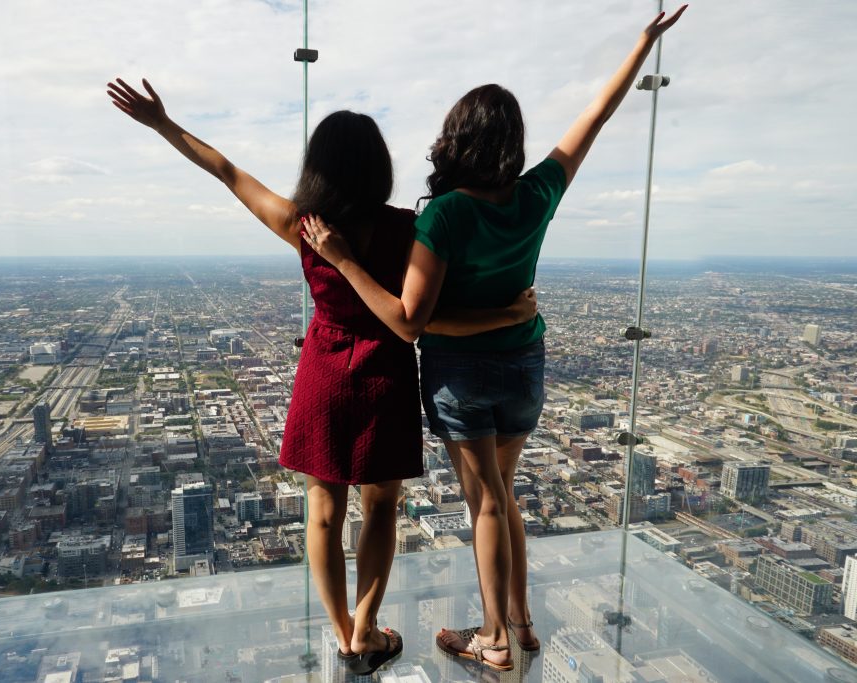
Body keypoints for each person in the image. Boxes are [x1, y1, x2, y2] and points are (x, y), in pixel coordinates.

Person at [106, 80, 538, 675]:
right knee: (382, 505)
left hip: (325, 373)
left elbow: (228, 172)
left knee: (322, 510)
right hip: (386, 371)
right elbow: (426, 311)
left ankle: (346, 636)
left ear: (319, 166)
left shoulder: (303, 227)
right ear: (379, 167)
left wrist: (163, 124)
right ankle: (366, 626)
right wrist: (509, 314)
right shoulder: (408, 228)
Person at [302, 6, 687, 672]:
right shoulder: (537, 194)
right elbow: (593, 119)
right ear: (512, 144)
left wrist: (344, 259)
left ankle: (495, 640)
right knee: (504, 497)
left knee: (484, 502)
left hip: (461, 377)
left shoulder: (444, 215)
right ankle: (523, 621)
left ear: (456, 138)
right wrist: (642, 47)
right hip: (524, 367)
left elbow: (412, 318)